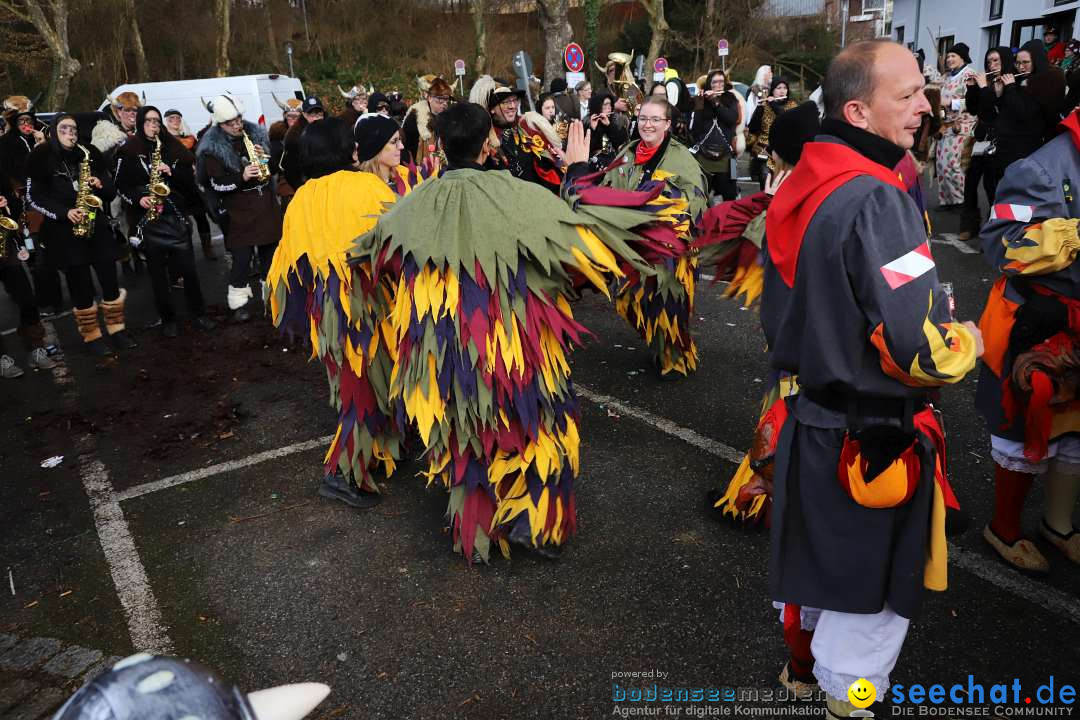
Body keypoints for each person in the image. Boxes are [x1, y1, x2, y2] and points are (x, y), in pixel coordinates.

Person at [351, 103, 684, 562]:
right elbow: (584, 246)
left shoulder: (409, 208)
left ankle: (478, 532)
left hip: (444, 355)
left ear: (440, 146)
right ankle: (537, 526)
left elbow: (375, 260)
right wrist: (580, 173)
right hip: (518, 349)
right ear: (488, 142)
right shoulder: (523, 198)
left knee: (466, 441)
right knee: (540, 430)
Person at [763, 40, 981, 717]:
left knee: (817, 581)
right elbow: (920, 347)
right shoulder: (877, 201)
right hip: (871, 438)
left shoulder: (803, 181)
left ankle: (804, 680)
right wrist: (967, 340)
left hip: (809, 420)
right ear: (858, 111)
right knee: (869, 613)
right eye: (909, 94)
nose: (926, 105)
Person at [266, 117, 413, 510]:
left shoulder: (299, 200)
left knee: (357, 385)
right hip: (366, 304)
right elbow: (400, 241)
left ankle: (379, 451)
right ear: (345, 150)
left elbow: (287, 268)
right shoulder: (365, 186)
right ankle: (342, 473)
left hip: (327, 311)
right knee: (368, 386)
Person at [975, 105, 1080, 573]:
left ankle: (1058, 526)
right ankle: (1004, 528)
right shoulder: (1039, 168)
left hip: (1074, 323)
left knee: (1075, 431)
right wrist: (1071, 234)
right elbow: (999, 244)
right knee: (1021, 429)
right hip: (1032, 322)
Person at [569, 96, 709, 379]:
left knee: (668, 305)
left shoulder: (682, 159)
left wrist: (657, 207)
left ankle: (676, 360)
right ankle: (660, 346)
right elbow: (608, 185)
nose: (648, 125)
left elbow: (693, 200)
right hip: (634, 244)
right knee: (632, 300)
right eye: (643, 118)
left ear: (667, 124)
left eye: (655, 119)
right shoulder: (629, 151)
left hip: (669, 249)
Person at [26, 113, 137, 355]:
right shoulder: (41, 157)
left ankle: (117, 330)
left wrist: (101, 184)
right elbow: (33, 197)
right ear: (54, 131)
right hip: (65, 234)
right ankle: (93, 337)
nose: (71, 133)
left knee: (110, 281)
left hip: (97, 229)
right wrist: (64, 213)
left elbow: (110, 192)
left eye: (74, 129)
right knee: (81, 288)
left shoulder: (88, 154)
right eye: (64, 128)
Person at [116, 106, 213, 338]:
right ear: (140, 123)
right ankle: (168, 319)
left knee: (189, 271)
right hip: (148, 220)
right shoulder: (128, 150)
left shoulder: (171, 147)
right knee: (158, 276)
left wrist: (172, 171)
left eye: (157, 121)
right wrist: (139, 198)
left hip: (175, 216)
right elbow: (120, 185)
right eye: (149, 121)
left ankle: (199, 314)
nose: (154, 125)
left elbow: (190, 183)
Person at [195, 95, 281, 322]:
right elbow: (215, 184)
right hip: (239, 211)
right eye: (231, 122)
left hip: (266, 207)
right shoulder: (212, 150)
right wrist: (242, 176)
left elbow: (273, 168)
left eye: (239, 119)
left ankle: (271, 298)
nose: (237, 125)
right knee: (242, 260)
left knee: (269, 257)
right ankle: (239, 302)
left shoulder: (255, 136)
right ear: (220, 124)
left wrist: (266, 160)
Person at [0, 173, 55, 377]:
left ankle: (35, 349)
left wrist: (8, 203)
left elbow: (17, 208)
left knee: (27, 300)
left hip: (6, 246)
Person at [959, 46, 1014, 240]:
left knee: (992, 186)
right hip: (981, 138)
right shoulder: (987, 82)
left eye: (996, 61)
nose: (992, 65)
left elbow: (995, 110)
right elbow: (974, 109)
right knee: (971, 182)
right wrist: (973, 87)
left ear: (1005, 61)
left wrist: (983, 88)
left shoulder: (1010, 83)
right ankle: (970, 224)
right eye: (989, 61)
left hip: (1000, 140)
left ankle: (994, 230)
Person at [164, 108, 217, 260]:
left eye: (178, 118)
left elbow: (199, 155)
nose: (175, 121)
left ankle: (208, 248)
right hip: (176, 186)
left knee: (201, 216)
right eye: (171, 118)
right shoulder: (163, 141)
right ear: (166, 122)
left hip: (193, 185)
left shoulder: (190, 138)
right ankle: (185, 251)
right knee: (182, 220)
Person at [689, 69, 742, 201]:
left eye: (721, 82)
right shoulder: (701, 100)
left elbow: (731, 119)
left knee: (729, 192)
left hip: (726, 153)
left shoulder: (731, 98)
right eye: (715, 82)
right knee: (701, 193)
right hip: (704, 152)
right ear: (709, 84)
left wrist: (716, 103)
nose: (718, 85)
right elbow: (695, 129)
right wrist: (700, 103)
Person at [935, 43, 977, 208]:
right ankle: (946, 200)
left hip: (962, 127)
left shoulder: (970, 75)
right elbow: (939, 101)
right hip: (945, 126)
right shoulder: (945, 77)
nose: (949, 59)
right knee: (941, 165)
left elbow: (973, 101)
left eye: (953, 56)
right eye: (948, 56)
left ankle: (960, 200)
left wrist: (951, 103)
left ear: (963, 57)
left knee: (953, 165)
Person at [748, 77, 798, 189]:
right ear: (772, 91)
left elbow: (787, 120)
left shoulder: (792, 105)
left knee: (782, 187)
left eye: (785, 88)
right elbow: (753, 128)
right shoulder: (765, 105)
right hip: (764, 151)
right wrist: (760, 109)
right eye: (778, 88)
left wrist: (773, 105)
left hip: (785, 153)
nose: (782, 91)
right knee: (765, 183)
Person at [402, 77, 453, 166]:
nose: (445, 103)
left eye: (446, 99)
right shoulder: (416, 116)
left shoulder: (448, 116)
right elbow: (406, 147)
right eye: (440, 99)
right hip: (420, 168)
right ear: (429, 98)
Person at [279, 96, 326, 192]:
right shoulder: (295, 138)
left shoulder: (330, 132)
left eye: (319, 114)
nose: (317, 118)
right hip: (307, 187)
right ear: (304, 115)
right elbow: (291, 170)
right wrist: (303, 190)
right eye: (312, 115)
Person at [586, 91, 628, 170]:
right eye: (605, 104)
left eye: (610, 104)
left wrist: (609, 126)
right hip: (594, 167)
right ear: (597, 106)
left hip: (614, 165)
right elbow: (589, 149)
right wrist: (593, 129)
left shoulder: (617, 121)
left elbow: (621, 144)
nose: (609, 107)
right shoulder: (586, 123)